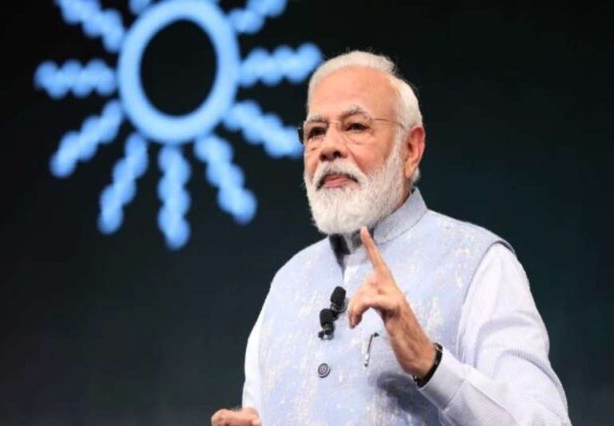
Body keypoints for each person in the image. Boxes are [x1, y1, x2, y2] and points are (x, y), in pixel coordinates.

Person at [211, 51, 570, 425]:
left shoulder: (478, 264)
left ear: (410, 149)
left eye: (355, 126)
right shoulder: (287, 283)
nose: (329, 147)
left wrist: (431, 364)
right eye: (315, 131)